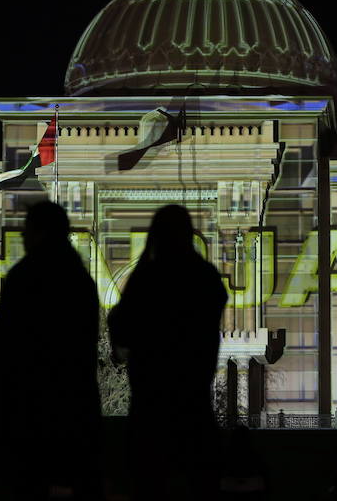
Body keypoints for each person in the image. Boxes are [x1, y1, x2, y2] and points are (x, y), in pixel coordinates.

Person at [0, 201, 102, 500]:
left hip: (27, 403)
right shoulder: (81, 280)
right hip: (73, 399)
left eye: (27, 229)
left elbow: (5, 336)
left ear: (38, 231)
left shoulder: (25, 275)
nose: (22, 236)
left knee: (28, 481)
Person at [108, 204, 228, 501]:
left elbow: (121, 327)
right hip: (193, 404)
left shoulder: (148, 277)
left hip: (152, 408)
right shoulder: (204, 277)